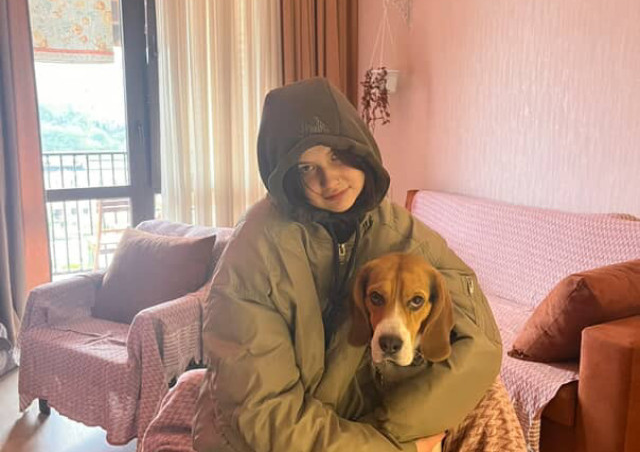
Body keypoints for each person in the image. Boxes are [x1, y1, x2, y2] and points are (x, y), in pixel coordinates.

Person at [193, 77, 502, 452]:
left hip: (352, 418)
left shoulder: (395, 227)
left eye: (337, 156)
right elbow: (265, 415)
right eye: (306, 168)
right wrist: (397, 448)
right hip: (263, 440)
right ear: (285, 179)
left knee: (491, 400)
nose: (329, 180)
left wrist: (393, 429)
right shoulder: (254, 253)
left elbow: (481, 342)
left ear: (361, 150)